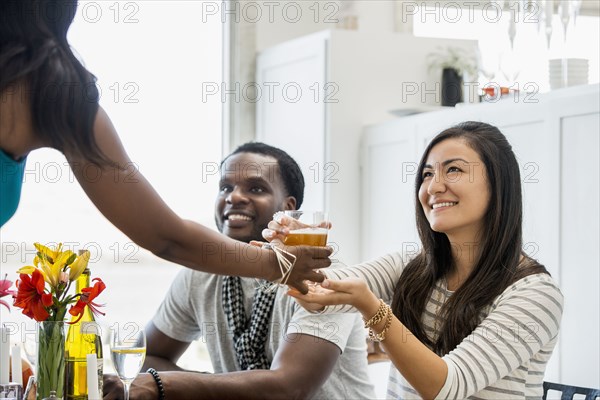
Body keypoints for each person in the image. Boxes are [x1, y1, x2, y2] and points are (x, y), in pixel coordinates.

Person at [0, 0, 329, 292]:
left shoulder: (56, 96)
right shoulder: (60, 97)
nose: (235, 197)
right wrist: (278, 265)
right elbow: (167, 238)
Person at [276, 122, 564, 399]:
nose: (434, 187)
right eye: (427, 174)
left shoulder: (535, 293)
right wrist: (295, 254)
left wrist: (373, 309)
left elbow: (446, 388)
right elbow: (319, 296)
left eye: (453, 170)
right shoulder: (411, 268)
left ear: (498, 183)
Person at [102, 142, 375, 400]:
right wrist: (214, 387)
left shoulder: (323, 275)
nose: (233, 197)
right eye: (225, 187)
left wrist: (162, 385)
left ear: (288, 208)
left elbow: (290, 387)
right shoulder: (201, 274)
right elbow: (147, 356)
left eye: (256, 188)